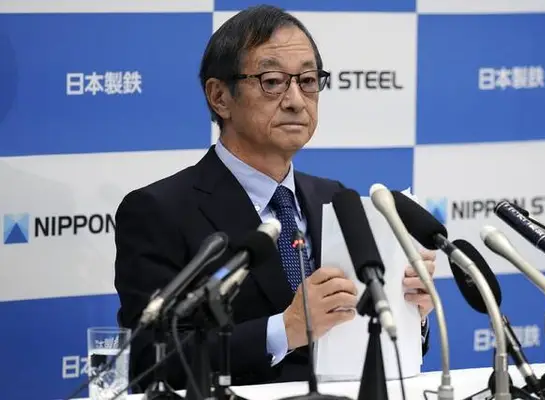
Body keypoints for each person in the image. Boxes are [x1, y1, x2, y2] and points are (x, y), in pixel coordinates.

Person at [113, 4, 436, 392]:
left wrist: (410, 311)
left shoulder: (336, 198)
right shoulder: (159, 210)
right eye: (272, 81)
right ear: (219, 97)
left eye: (309, 80)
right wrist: (284, 329)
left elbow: (356, 341)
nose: (296, 100)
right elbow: (148, 361)